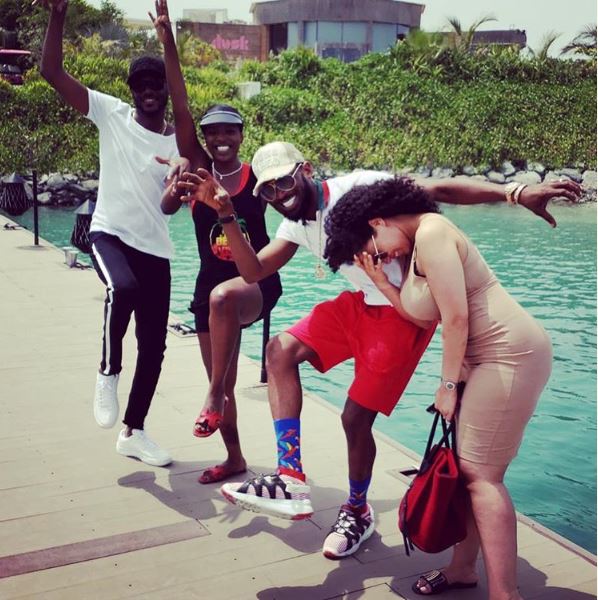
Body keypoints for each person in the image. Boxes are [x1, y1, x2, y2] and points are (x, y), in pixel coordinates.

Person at [184, 140, 580, 561]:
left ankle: (357, 510)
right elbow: (253, 271)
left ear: (306, 170)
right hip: (361, 303)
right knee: (279, 350)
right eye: (267, 190)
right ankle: (291, 478)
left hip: (401, 313)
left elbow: (437, 189)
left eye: (283, 181)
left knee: (354, 419)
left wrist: (515, 192)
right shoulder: (294, 224)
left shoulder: (359, 187)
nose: (279, 195)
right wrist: (225, 213)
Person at [323, 176, 554, 598]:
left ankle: (506, 594)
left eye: (376, 249)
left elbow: (457, 318)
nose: (384, 257)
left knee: (483, 478)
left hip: (509, 354)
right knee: (468, 471)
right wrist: (383, 283)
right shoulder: (416, 248)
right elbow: (423, 317)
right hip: (480, 362)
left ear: (378, 221)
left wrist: (446, 384)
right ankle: (463, 569)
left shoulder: (432, 232)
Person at [40, 0, 186, 466]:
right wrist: (58, 15)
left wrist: (176, 186)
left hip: (155, 248)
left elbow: (168, 207)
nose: (148, 91)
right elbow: (51, 73)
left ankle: (134, 432)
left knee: (155, 348)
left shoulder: (176, 142)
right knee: (120, 288)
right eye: (140, 85)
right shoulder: (111, 113)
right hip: (109, 235)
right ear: (131, 91)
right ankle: (108, 372)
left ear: (165, 89)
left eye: (155, 84)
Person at [150, 0, 282, 484]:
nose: (221, 138)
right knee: (222, 377)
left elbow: (298, 204)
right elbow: (181, 106)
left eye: (229, 131)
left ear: (241, 136)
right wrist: (168, 42)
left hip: (257, 281)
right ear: (204, 138)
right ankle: (235, 458)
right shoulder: (198, 171)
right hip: (210, 289)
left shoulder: (259, 175)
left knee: (224, 312)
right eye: (213, 133)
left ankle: (212, 396)